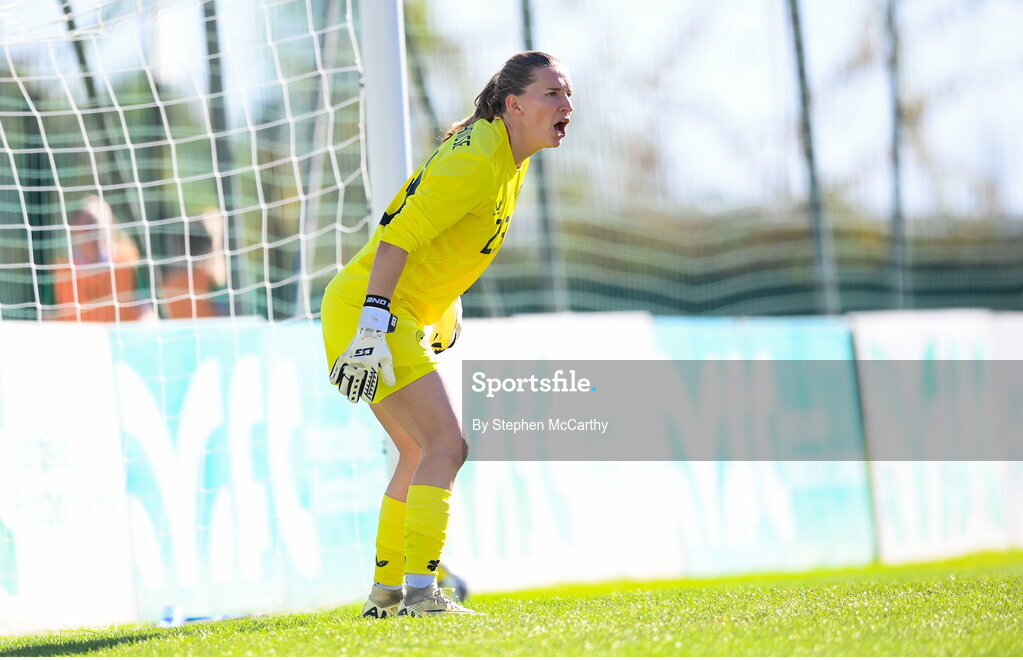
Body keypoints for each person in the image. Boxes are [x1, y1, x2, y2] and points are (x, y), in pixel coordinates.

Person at [320, 51, 572, 617]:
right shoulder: (481, 159)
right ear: (514, 104)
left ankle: (387, 596)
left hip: (388, 310)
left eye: (567, 94)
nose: (566, 105)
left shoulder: (504, 155)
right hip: (376, 312)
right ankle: (421, 596)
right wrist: (374, 323)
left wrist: (444, 303)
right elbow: (397, 235)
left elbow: (449, 241)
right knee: (445, 447)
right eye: (552, 94)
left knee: (416, 451)